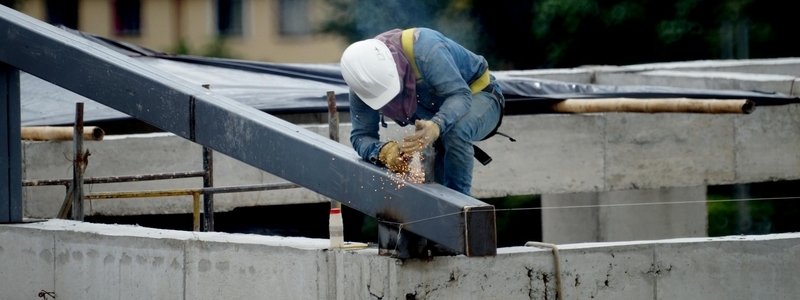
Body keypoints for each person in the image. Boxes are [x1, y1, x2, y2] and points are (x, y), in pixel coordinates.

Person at [340, 27, 504, 196]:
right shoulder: (363, 87)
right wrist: (384, 152)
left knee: (456, 130)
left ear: (394, 67)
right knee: (437, 196)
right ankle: (444, 209)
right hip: (438, 118)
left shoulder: (427, 50)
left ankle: (461, 207)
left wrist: (436, 125)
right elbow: (361, 136)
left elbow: (460, 95)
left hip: (479, 95)